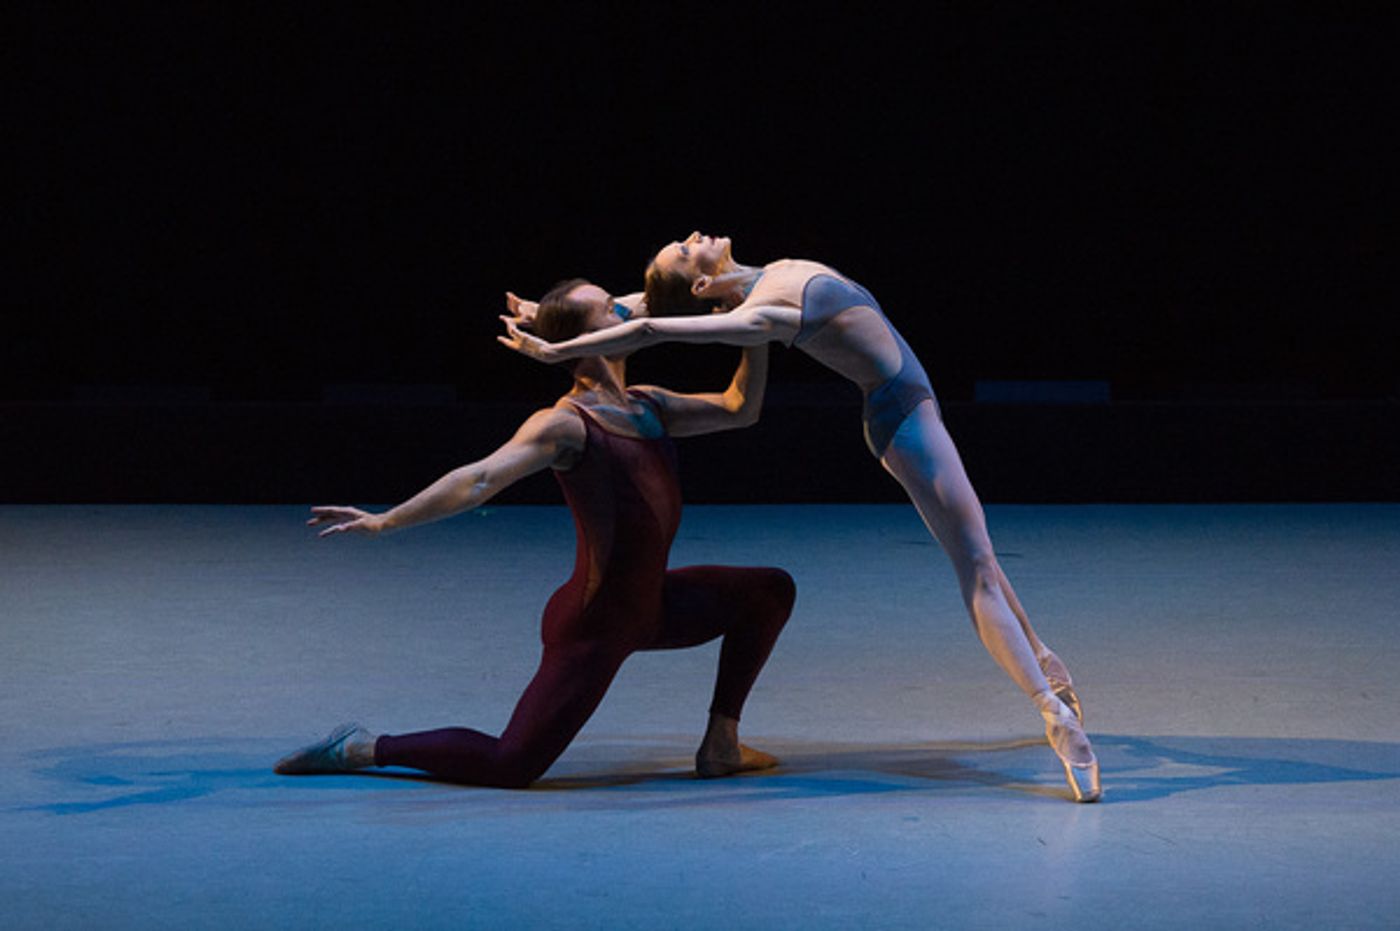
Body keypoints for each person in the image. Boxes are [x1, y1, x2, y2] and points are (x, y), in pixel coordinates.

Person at [500, 233, 1100, 802]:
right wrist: (559, 349)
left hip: (911, 405)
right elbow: (655, 323)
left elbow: (639, 307)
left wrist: (546, 314)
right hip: (903, 419)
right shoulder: (765, 314)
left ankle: (1042, 657)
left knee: (983, 558)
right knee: (976, 569)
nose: (693, 235)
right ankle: (1053, 714)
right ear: (704, 283)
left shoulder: (749, 280)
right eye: (685, 249)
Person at [276, 278, 795, 787]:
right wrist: (385, 521)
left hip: (653, 607)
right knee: (512, 763)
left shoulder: (649, 404)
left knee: (769, 590)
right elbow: (478, 479)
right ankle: (363, 748)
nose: (628, 312)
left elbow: (739, 408)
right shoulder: (564, 424)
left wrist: (755, 329)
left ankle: (721, 744)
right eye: (611, 310)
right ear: (583, 342)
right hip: (595, 624)